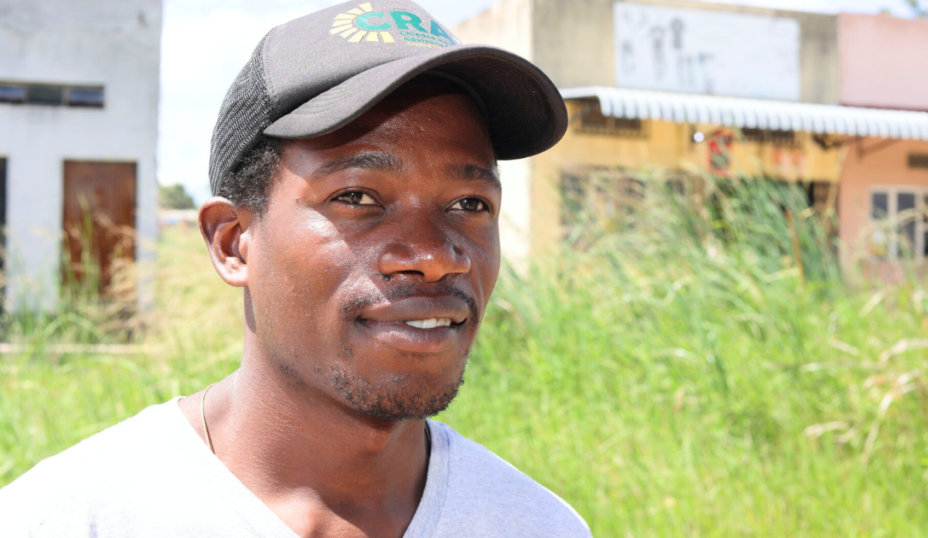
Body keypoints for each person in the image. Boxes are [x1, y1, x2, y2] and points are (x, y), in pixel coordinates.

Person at [0, 1, 590, 536]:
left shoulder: (536, 525)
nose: (435, 256)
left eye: (469, 205)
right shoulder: (69, 519)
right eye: (358, 197)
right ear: (234, 244)